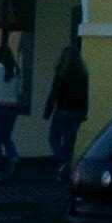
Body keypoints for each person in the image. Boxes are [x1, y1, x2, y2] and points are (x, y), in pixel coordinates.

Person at [42, 36, 90, 180]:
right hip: (78, 111)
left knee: (53, 138)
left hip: (63, 109)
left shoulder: (62, 72)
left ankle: (63, 162)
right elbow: (85, 94)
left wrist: (48, 110)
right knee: (70, 141)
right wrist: (85, 112)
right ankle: (65, 171)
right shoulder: (82, 74)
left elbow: (54, 92)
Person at [0, 42, 22, 179]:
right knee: (6, 136)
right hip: (12, 108)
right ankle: (13, 157)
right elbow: (19, 91)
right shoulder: (16, 71)